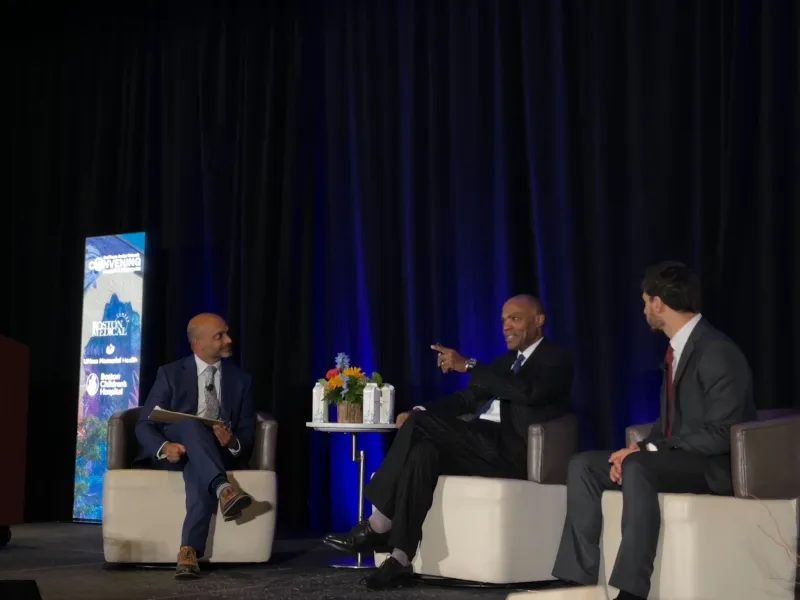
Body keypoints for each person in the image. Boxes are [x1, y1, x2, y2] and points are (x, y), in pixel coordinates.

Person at [323, 294, 574, 590]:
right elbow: (466, 399)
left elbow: (527, 393)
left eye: (515, 319)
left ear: (539, 320)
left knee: (420, 429)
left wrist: (468, 365)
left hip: (511, 451)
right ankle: (401, 558)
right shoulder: (504, 362)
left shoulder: (556, 359)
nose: (506, 326)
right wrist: (420, 411)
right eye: (503, 320)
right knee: (423, 451)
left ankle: (379, 522)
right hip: (479, 443)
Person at [551, 262, 756, 600]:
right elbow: (666, 427)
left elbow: (724, 433)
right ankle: (579, 581)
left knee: (638, 466)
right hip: (677, 458)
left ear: (659, 303)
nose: (644, 310)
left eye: (646, 302)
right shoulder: (676, 351)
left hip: (712, 466)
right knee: (584, 465)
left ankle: (632, 589)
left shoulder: (716, 351)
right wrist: (639, 448)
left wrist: (645, 454)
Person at [134, 313, 256, 579]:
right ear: (197, 343)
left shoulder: (241, 380)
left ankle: (188, 549)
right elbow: (143, 423)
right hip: (177, 450)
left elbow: (247, 433)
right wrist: (164, 447)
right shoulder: (169, 374)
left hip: (215, 454)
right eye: (219, 336)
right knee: (190, 425)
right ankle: (223, 489)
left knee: (199, 470)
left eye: (227, 333)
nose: (228, 340)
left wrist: (232, 441)